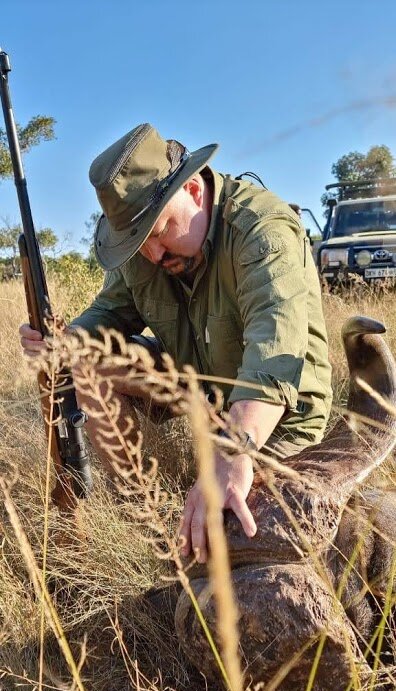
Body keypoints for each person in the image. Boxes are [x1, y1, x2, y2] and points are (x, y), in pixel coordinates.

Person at [19, 122, 332, 563]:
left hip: (279, 419)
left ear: (193, 190)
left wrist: (231, 455)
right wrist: (61, 340)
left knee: (234, 547)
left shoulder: (262, 231)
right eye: (139, 244)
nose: (153, 256)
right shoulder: (146, 252)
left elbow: (272, 356)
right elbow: (109, 313)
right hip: (202, 390)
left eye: (159, 231)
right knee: (83, 360)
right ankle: (142, 515)